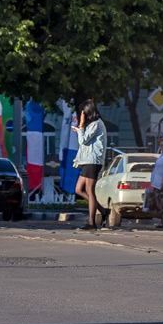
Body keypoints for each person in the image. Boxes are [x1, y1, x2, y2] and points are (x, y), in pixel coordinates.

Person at [72, 99, 110, 230]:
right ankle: (103, 210)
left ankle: (92, 223)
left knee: (89, 190)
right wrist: (80, 130)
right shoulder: (93, 125)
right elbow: (85, 141)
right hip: (87, 160)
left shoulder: (96, 124)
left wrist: (81, 125)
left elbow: (83, 140)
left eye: (83, 113)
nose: (82, 115)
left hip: (93, 161)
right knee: (79, 189)